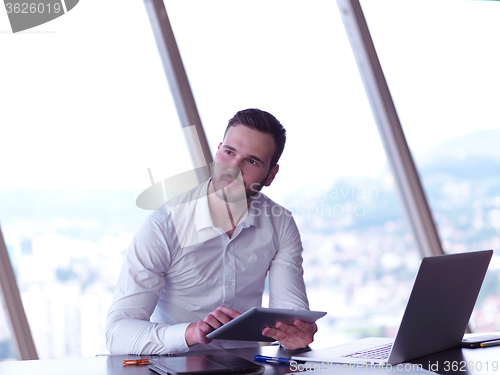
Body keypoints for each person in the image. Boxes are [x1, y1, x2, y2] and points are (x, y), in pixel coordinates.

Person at [105, 108, 317, 355]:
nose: (233, 169)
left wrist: (295, 333)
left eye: (251, 161)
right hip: (176, 367)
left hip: (250, 370)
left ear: (271, 174)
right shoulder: (163, 226)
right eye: (229, 152)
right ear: (217, 151)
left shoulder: (280, 223)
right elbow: (117, 334)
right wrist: (191, 332)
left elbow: (289, 315)